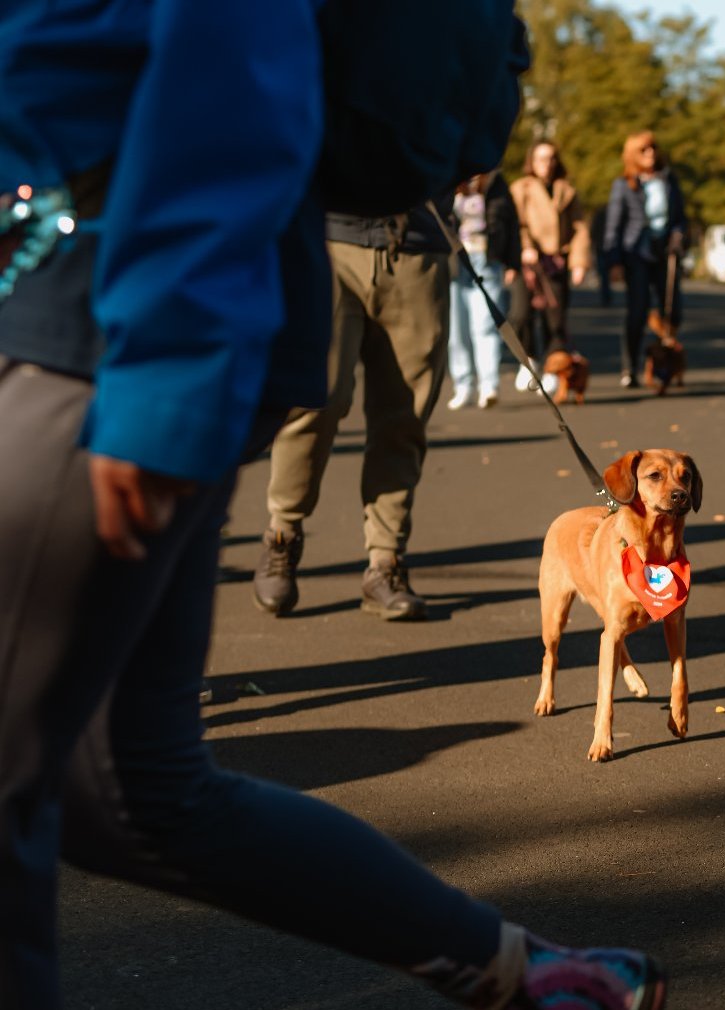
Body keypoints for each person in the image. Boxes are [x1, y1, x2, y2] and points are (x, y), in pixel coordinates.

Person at [0, 5, 663, 1009]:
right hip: (102, 311)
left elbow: (232, 49)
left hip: (95, 316)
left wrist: (170, 360)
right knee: (133, 789)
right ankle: (530, 973)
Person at [251, 200, 453, 621]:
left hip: (417, 243)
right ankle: (282, 535)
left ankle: (385, 563)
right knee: (314, 397)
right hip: (327, 237)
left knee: (404, 417)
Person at [604, 132, 689, 389]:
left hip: (665, 252)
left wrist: (677, 236)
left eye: (653, 148)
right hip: (636, 253)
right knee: (637, 311)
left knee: (671, 310)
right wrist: (614, 261)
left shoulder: (668, 180)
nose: (650, 153)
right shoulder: (624, 184)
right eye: (644, 150)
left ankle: (666, 364)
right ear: (633, 154)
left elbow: (680, 218)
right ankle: (630, 368)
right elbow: (613, 226)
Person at [510, 141, 592, 394]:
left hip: (556, 261)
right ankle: (528, 359)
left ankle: (552, 368)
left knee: (555, 320)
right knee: (519, 315)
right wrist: (526, 247)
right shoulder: (520, 189)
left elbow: (579, 228)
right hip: (528, 262)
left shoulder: (566, 190)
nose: (547, 164)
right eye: (541, 159)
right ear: (531, 162)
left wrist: (579, 263)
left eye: (551, 158)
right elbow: (517, 223)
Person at [447, 170, 522, 410]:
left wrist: (513, 262)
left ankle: (489, 385)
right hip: (455, 263)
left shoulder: (497, 184)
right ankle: (463, 385)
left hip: (487, 261)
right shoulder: (449, 176)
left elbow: (512, 225)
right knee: (457, 329)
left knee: (486, 326)